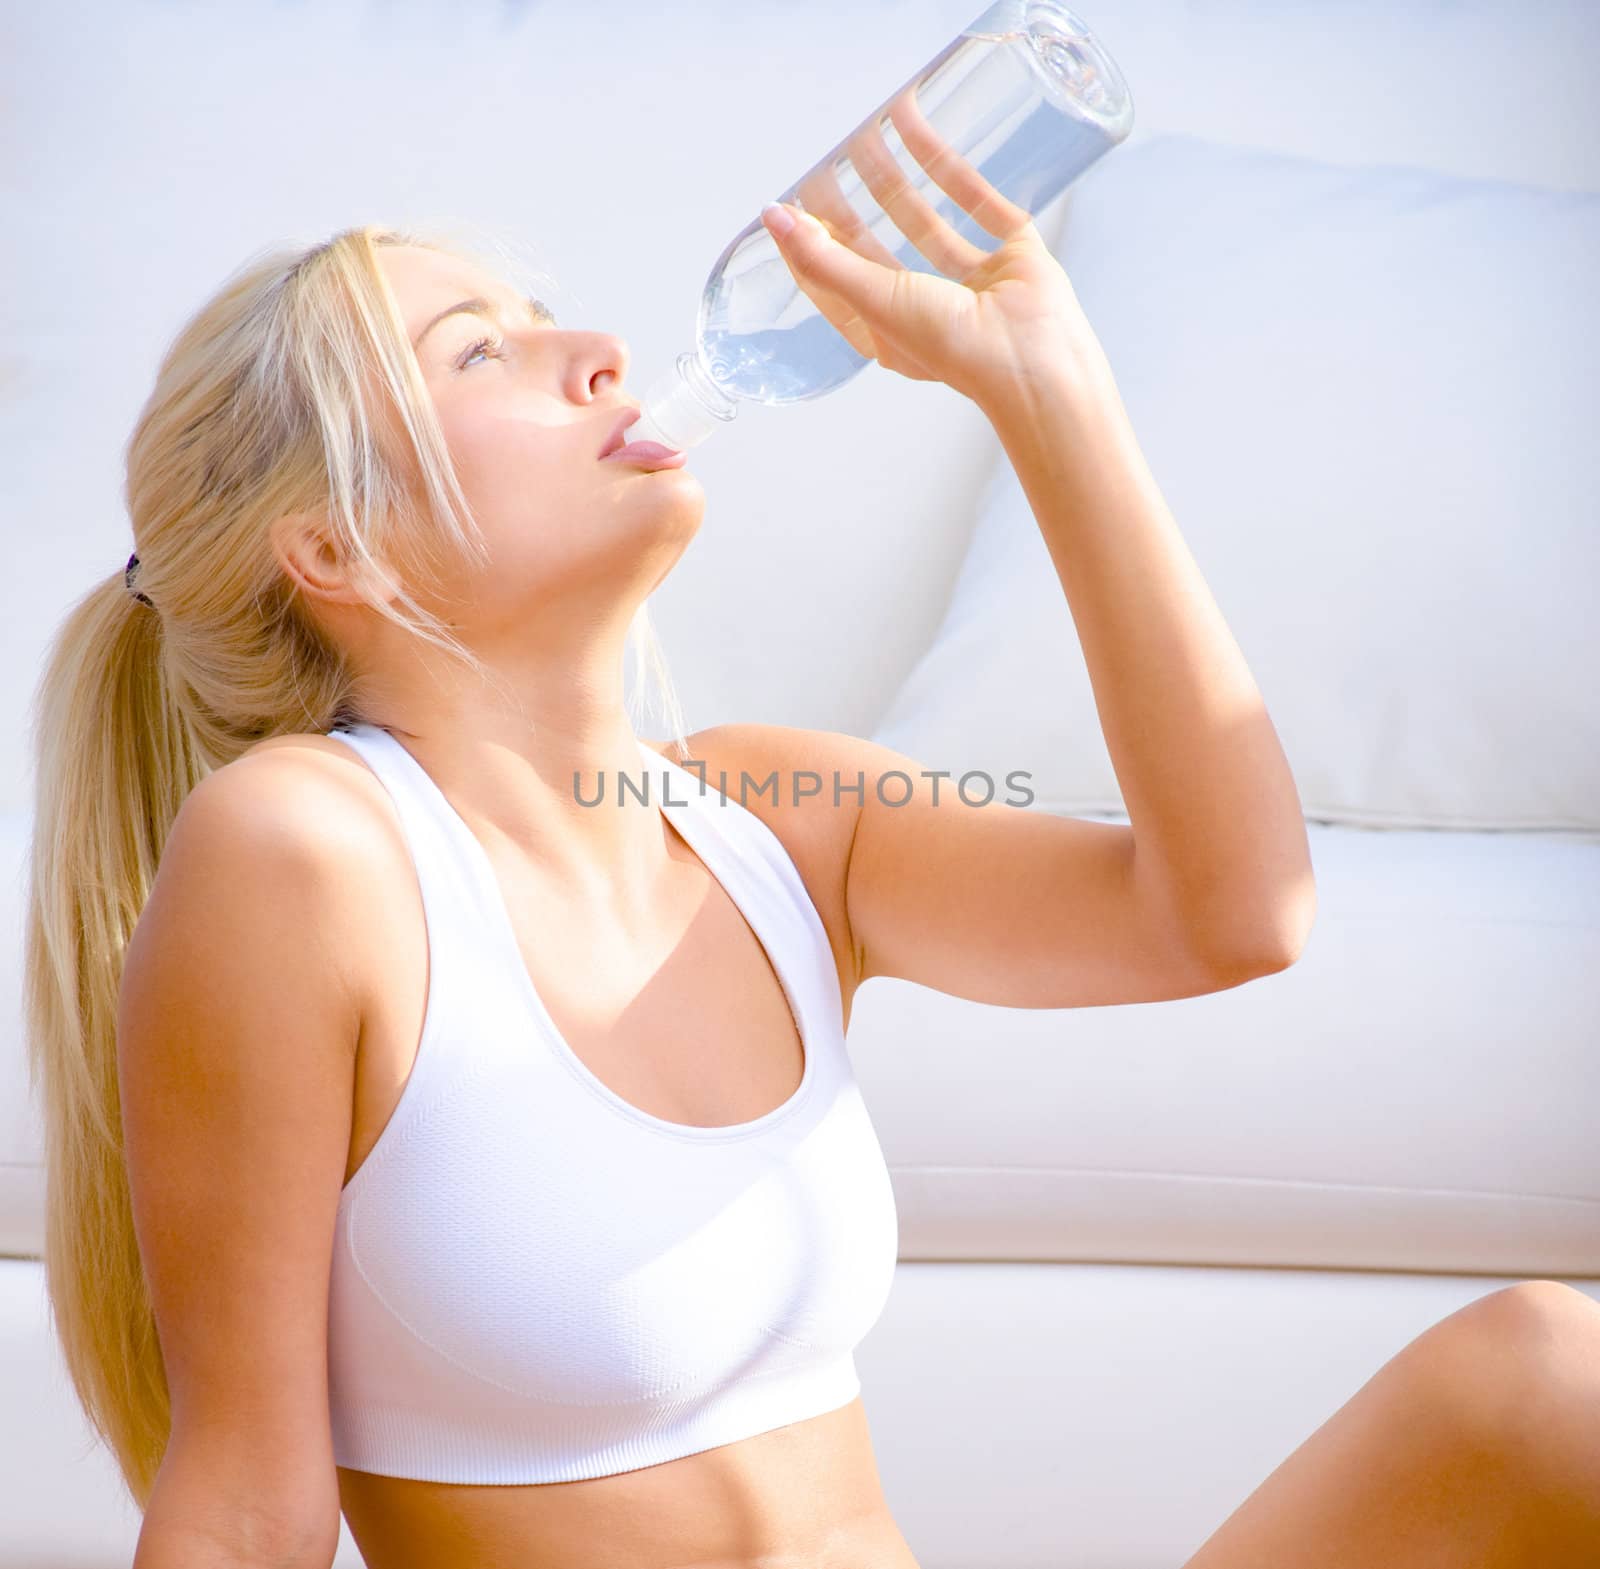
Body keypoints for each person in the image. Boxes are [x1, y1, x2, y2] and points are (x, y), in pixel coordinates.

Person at [22, 176, 1599, 1568]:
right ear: (336, 550)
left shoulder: (768, 810)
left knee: (1542, 1377)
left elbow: (1236, 912)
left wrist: (1052, 397)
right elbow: (247, 1510)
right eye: (479, 351)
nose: (600, 356)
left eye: (551, 316)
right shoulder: (301, 852)